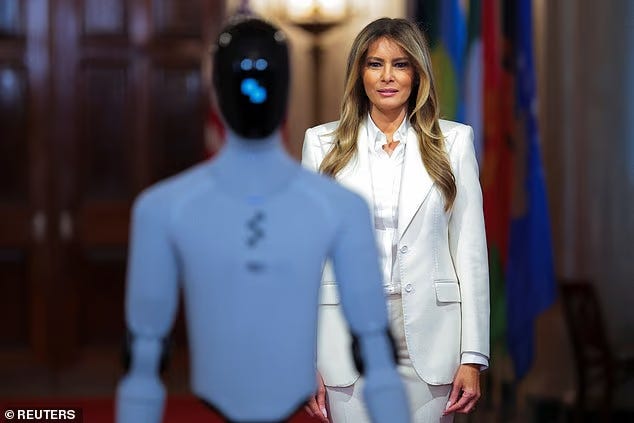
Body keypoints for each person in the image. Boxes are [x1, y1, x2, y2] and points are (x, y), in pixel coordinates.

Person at [116, 15, 410, 423]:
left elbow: (376, 349)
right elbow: (143, 356)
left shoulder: (338, 208)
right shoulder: (164, 209)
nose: (252, 90)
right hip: (219, 390)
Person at [302, 17, 490, 423]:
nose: (387, 76)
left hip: (432, 334)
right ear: (359, 73)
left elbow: (470, 253)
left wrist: (473, 355)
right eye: (375, 64)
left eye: (400, 64)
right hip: (344, 337)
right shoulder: (321, 145)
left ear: (417, 73)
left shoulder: (454, 142)